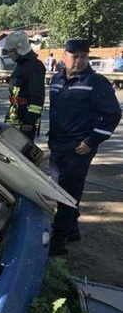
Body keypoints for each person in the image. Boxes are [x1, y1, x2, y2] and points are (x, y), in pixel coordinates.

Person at [47, 39, 122, 255]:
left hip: (78, 148)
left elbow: (112, 115)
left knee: (68, 192)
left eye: (84, 56)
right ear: (64, 56)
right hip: (58, 144)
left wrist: (90, 142)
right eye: (75, 56)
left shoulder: (95, 82)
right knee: (59, 188)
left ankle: (58, 240)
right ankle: (72, 229)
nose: (79, 60)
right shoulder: (56, 79)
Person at [3, 31, 46, 141]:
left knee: (22, 153)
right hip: (16, 115)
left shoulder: (35, 67)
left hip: (25, 120)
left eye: (11, 51)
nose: (9, 55)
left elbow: (37, 96)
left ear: (20, 49)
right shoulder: (21, 65)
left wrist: (30, 120)